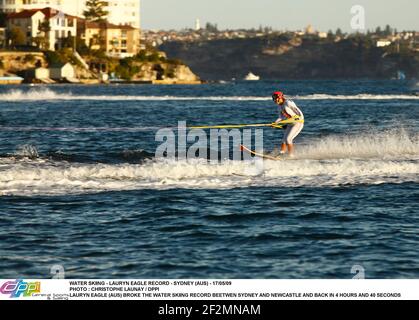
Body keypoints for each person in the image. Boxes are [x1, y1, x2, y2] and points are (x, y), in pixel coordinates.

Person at [272, 91, 304, 155]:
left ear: (280, 97)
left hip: (298, 123)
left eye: (276, 98)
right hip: (290, 123)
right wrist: (275, 123)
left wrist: (298, 119)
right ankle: (281, 153)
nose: (275, 100)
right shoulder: (279, 107)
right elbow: (281, 117)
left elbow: (298, 113)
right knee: (284, 140)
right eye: (273, 99)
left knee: (288, 139)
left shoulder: (288, 102)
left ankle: (291, 156)